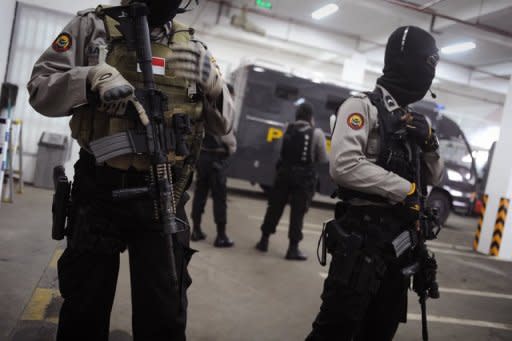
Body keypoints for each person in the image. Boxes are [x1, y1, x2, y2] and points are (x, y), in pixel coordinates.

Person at [27, 1, 232, 340]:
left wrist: (215, 87)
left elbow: (223, 124)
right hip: (100, 190)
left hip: (165, 192)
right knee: (84, 308)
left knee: (164, 312)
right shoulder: (93, 28)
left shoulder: (193, 48)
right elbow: (39, 88)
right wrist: (90, 77)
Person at [306, 26, 444, 340]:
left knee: (380, 331)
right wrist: (405, 190)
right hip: (362, 245)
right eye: (427, 65)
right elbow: (344, 166)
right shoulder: (361, 108)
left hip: (401, 248)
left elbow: (434, 177)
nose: (429, 77)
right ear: (405, 62)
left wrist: (430, 143)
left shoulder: (415, 122)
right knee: (335, 331)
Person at [255, 103, 328, 260]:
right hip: (303, 179)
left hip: (283, 175)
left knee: (274, 207)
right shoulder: (317, 133)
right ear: (311, 118)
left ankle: (263, 241)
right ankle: (292, 249)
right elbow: (323, 158)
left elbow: (278, 150)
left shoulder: (286, 128)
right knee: (297, 213)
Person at [191, 84, 237, 247]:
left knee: (200, 194)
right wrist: (231, 149)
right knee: (219, 199)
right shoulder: (224, 110)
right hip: (217, 160)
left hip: (202, 157)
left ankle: (195, 230)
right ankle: (221, 235)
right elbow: (228, 139)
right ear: (228, 94)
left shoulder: (205, 106)